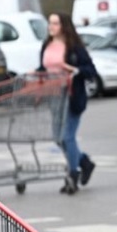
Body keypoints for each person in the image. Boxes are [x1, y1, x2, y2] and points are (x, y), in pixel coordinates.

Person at [38, 13, 98, 195]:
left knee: (67, 137)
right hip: (54, 96)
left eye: (55, 23)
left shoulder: (74, 47)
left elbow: (90, 70)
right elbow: (45, 68)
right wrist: (37, 72)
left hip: (71, 96)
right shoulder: (47, 45)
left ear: (64, 25)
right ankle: (84, 162)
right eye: (50, 23)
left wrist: (76, 70)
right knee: (58, 137)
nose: (51, 26)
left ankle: (73, 174)